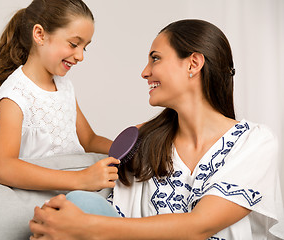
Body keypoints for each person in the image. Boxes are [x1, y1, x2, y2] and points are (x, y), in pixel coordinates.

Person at [29, 19, 284, 239]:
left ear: (193, 64)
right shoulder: (141, 139)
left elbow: (199, 227)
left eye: (156, 59)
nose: (145, 72)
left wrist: (84, 227)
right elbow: (91, 148)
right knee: (76, 202)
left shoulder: (254, 142)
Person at [0, 0, 119, 191]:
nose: (80, 56)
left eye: (84, 47)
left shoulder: (64, 86)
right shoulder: (15, 96)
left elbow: (88, 140)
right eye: (74, 44)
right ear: (39, 35)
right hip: (34, 201)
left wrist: (127, 150)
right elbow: (4, 168)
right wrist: (80, 179)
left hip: (69, 195)